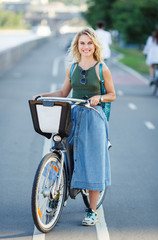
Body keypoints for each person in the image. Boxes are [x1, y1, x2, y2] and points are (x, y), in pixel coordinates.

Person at [33, 27, 116, 226]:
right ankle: (58, 193)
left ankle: (92, 211)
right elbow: (63, 92)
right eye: (82, 43)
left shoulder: (101, 68)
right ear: (77, 46)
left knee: (93, 163)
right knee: (62, 152)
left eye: (89, 43)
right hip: (73, 115)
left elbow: (113, 94)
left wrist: (99, 97)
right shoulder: (72, 68)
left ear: (94, 45)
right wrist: (43, 96)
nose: (86, 46)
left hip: (94, 118)